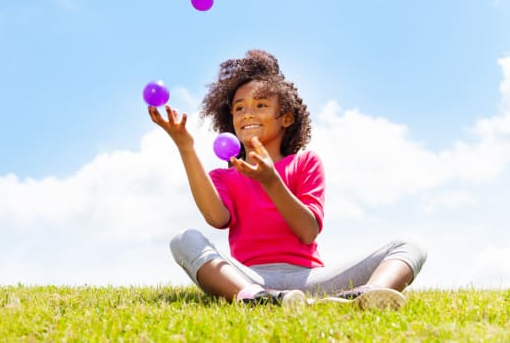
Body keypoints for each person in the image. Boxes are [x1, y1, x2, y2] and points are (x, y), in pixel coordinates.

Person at [148, 49, 427, 309]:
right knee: (183, 239)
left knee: (411, 244)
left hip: (310, 279)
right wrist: (185, 147)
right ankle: (255, 299)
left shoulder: (305, 163)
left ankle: (366, 295)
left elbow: (307, 231)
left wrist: (272, 181)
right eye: (239, 108)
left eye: (260, 105)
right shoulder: (224, 176)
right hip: (248, 277)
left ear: (286, 118)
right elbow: (216, 219)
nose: (248, 114)